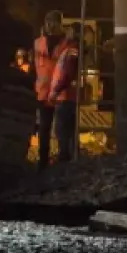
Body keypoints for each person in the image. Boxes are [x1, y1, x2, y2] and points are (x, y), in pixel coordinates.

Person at [31, 12, 72, 170]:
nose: (51, 25)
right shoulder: (37, 43)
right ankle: (43, 162)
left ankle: (64, 159)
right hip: (43, 93)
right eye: (48, 22)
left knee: (62, 128)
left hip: (61, 93)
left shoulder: (68, 44)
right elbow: (34, 68)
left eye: (54, 22)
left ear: (60, 24)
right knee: (44, 128)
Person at [46, 23, 82, 166]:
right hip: (67, 95)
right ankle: (70, 157)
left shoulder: (72, 49)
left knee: (62, 129)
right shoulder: (68, 48)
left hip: (65, 95)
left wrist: (55, 91)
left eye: (70, 30)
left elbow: (66, 73)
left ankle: (64, 158)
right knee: (68, 129)